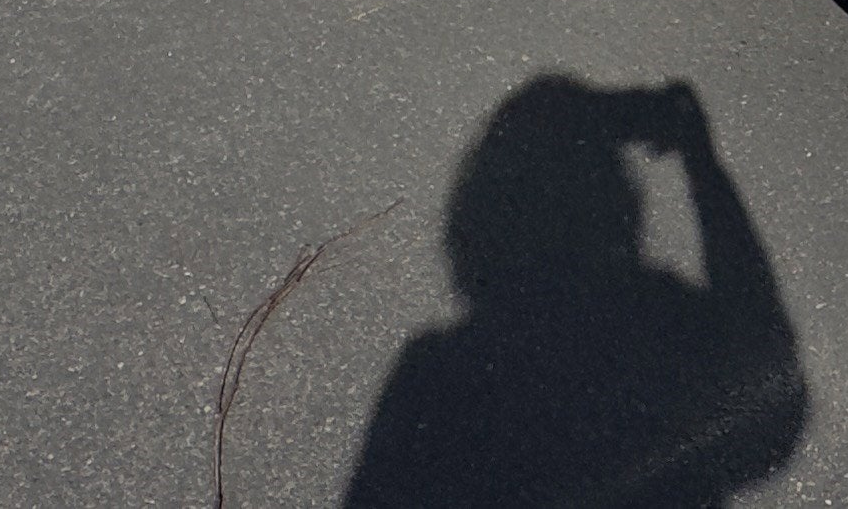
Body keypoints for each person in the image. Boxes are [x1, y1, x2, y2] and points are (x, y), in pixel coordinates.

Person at [342, 77, 806, 507]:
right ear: (622, 208)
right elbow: (768, 386)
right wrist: (702, 165)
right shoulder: (668, 335)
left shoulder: (436, 377)